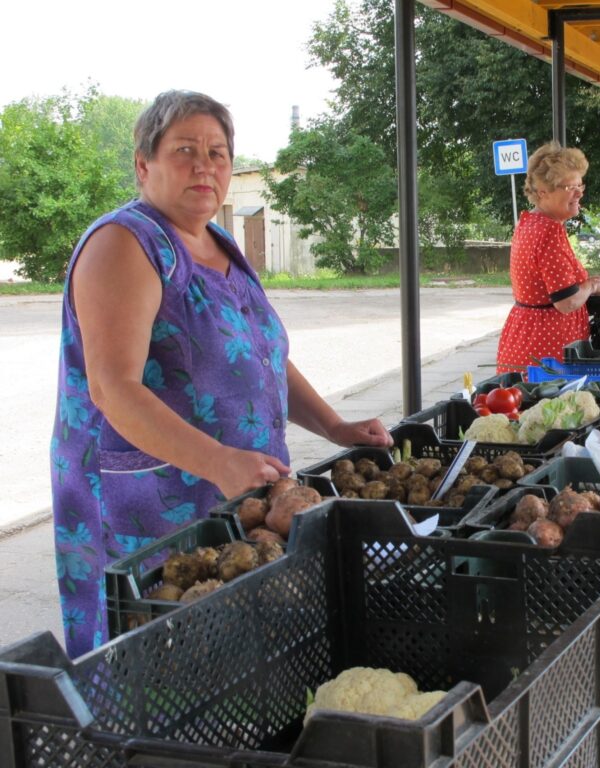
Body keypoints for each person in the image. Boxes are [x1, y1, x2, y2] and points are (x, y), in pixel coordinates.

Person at [49, 91, 393, 658]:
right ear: (144, 164)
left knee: (225, 655)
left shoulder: (221, 241)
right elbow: (113, 388)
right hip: (148, 499)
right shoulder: (124, 243)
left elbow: (262, 356)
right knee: (152, 658)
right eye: (185, 150)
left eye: (218, 153)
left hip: (231, 491)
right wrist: (218, 460)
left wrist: (335, 427)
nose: (205, 165)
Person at [496, 141, 600, 374]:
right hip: (547, 350)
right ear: (543, 192)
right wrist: (591, 286)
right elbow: (566, 302)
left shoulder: (530, 222)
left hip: (526, 337)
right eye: (569, 187)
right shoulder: (548, 231)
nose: (578, 193)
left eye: (580, 185)